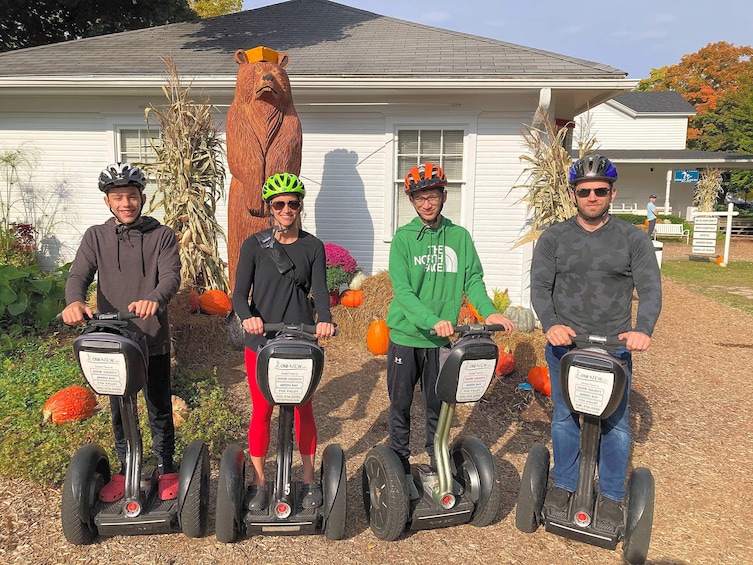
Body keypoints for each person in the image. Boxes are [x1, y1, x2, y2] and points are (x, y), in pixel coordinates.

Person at [530, 154, 662, 532]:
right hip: (565, 346)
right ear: (574, 195)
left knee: (615, 424)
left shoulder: (632, 239)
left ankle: (612, 497)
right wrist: (551, 323)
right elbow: (540, 287)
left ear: (611, 193)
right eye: (584, 191)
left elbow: (650, 288)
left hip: (613, 348)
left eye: (599, 191)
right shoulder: (553, 237)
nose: (592, 196)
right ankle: (564, 484)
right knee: (565, 417)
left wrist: (644, 328)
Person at [386, 162, 515, 498]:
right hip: (405, 336)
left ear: (443, 196)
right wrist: (431, 319)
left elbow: (473, 281)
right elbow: (403, 292)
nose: (426, 203)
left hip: (441, 341)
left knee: (437, 403)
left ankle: (435, 460)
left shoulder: (459, 237)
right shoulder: (403, 240)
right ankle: (397, 462)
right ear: (411, 201)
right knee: (400, 403)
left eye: (432, 196)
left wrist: (489, 313)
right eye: (419, 198)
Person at [62, 163, 182, 502]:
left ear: (142, 198)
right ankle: (127, 465)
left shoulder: (162, 236)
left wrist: (155, 299)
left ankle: (166, 467)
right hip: (112, 338)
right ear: (108, 202)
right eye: (118, 197)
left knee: (158, 406)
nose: (125, 203)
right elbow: (78, 276)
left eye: (131, 196)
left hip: (151, 335)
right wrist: (73, 301)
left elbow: (171, 276)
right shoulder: (95, 237)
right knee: (118, 407)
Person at [232, 172, 335, 511]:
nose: (287, 209)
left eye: (293, 203)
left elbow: (319, 290)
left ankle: (307, 479)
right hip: (261, 339)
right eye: (280, 204)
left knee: (304, 409)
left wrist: (324, 319)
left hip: (302, 338)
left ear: (300, 206)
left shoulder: (313, 246)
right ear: (270, 208)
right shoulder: (254, 245)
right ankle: (260, 481)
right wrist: (248, 316)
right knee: (262, 409)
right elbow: (238, 296)